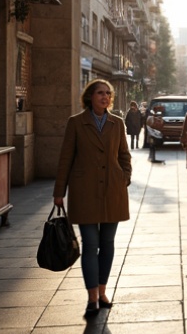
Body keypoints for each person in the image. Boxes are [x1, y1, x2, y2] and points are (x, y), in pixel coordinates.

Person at [53, 79, 131, 318]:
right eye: (100, 93)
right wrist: (59, 192)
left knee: (107, 244)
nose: (105, 97)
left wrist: (124, 177)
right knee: (90, 244)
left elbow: (124, 155)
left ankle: (103, 291)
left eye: (108, 94)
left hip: (112, 191)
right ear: (90, 97)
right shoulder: (76, 123)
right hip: (85, 191)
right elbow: (66, 158)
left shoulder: (117, 123)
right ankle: (92, 297)